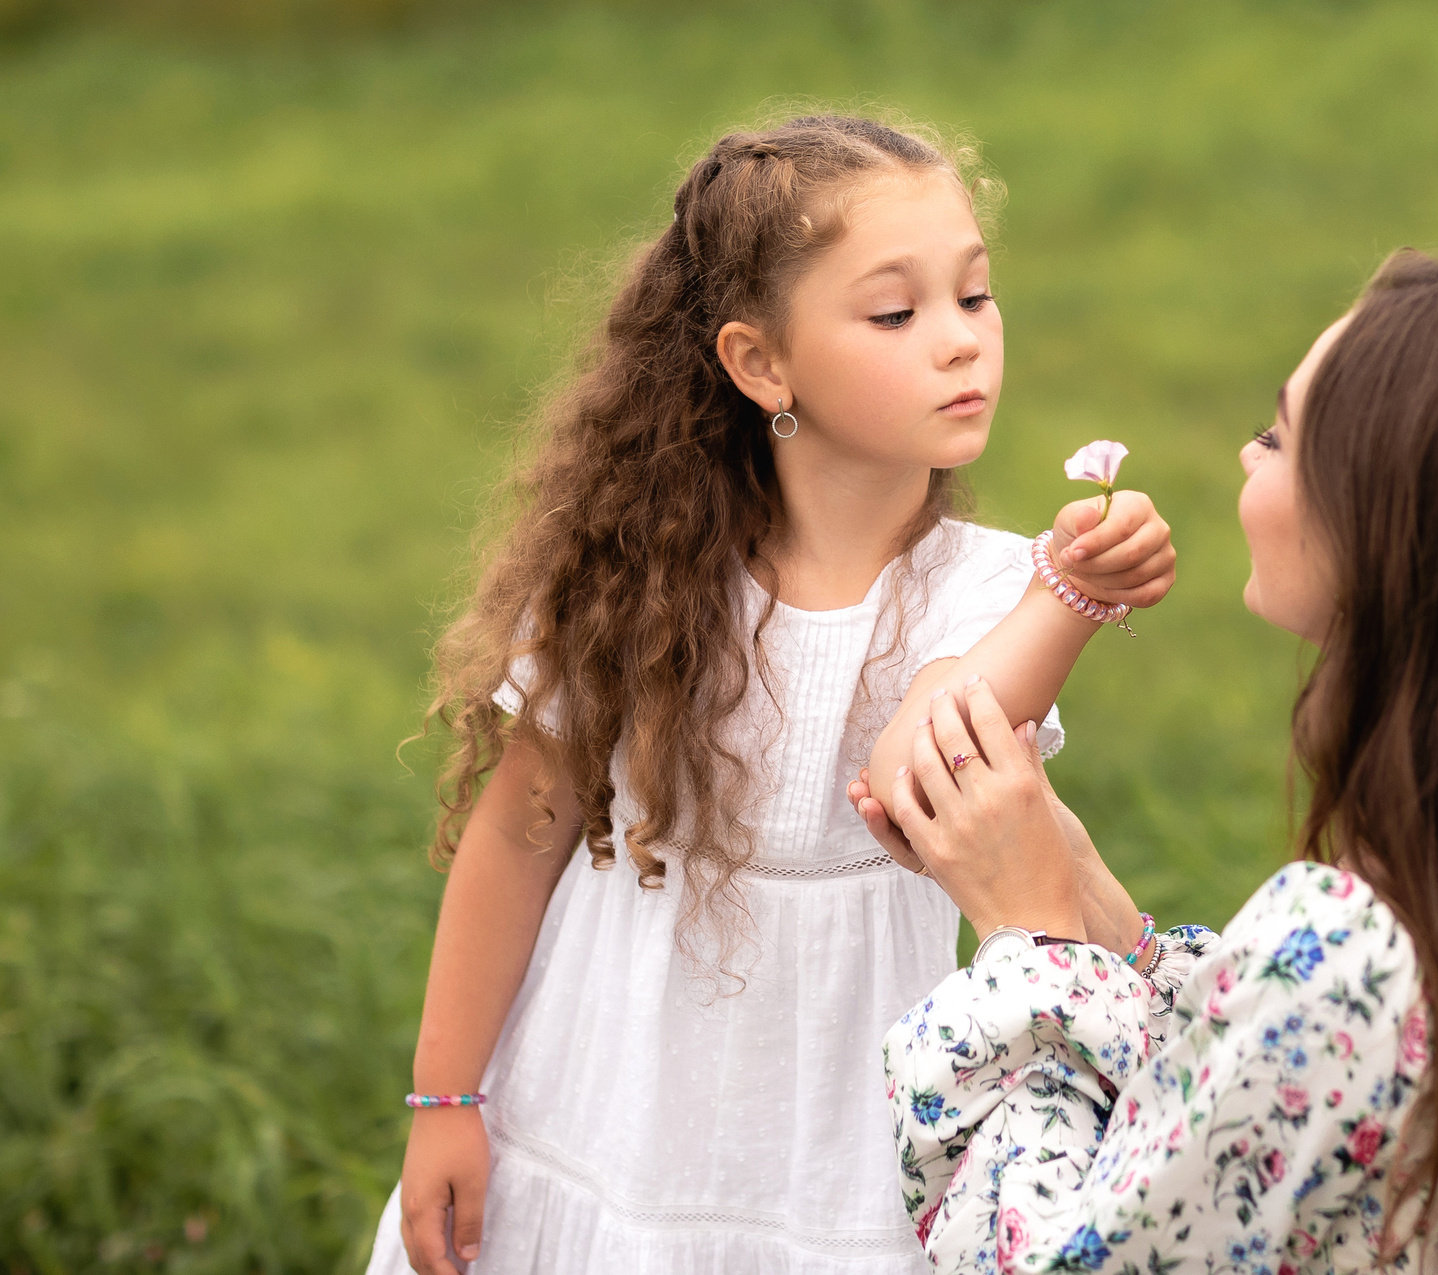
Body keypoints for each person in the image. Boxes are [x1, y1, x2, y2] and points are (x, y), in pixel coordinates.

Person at [858, 250, 1438, 1275]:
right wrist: (1098, 919)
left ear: (1392, 527)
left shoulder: (1346, 950)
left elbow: (1055, 1258)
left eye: (1277, 437)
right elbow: (1257, 1123)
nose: (1246, 456)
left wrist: (1027, 943)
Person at [368, 113, 1177, 1274]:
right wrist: (446, 1096)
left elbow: (922, 765)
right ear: (760, 364)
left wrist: (1069, 595)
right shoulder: (633, 577)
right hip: (594, 1111)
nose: (960, 343)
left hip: (836, 1161)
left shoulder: (994, 589)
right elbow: (518, 833)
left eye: (976, 298)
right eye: (897, 313)